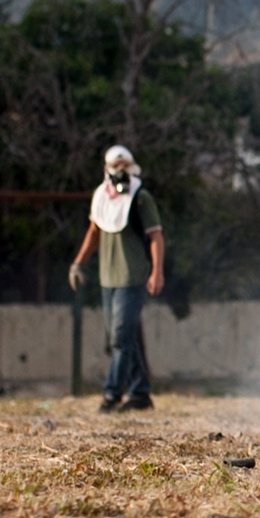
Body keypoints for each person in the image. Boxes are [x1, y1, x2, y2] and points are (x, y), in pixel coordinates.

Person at [69, 145, 165, 413]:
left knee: (120, 339)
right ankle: (140, 393)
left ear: (132, 167)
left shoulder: (140, 197)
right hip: (107, 278)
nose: (120, 170)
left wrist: (157, 271)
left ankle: (111, 394)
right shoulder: (101, 196)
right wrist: (78, 263)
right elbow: (93, 232)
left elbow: (156, 236)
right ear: (107, 167)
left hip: (132, 277)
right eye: (116, 165)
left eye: (125, 165)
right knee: (123, 338)